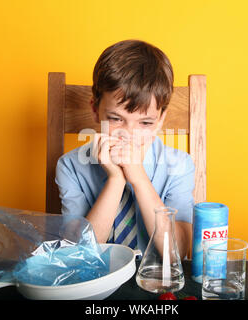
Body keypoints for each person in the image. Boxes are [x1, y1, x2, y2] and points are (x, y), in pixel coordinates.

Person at [55, 39, 195, 258]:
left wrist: (138, 178)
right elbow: (79, 254)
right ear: (95, 110)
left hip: (153, 280)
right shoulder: (70, 166)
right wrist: (116, 180)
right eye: (115, 119)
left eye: (145, 123)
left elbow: (176, 253)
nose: (129, 134)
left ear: (160, 119)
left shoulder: (179, 165)